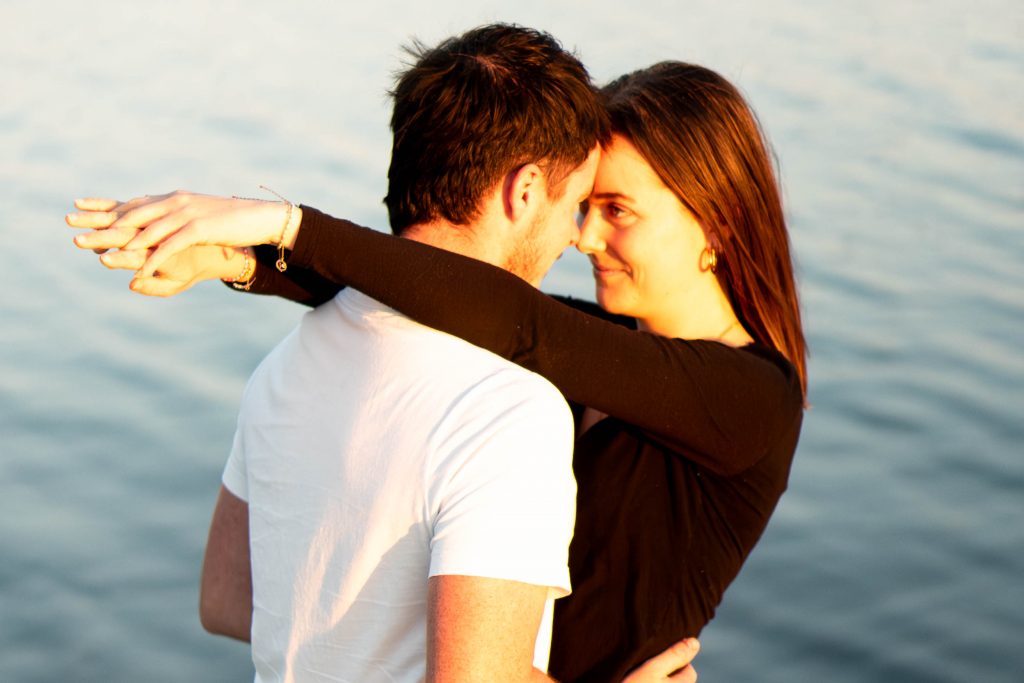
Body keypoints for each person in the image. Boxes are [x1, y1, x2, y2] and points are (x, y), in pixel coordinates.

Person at [70, 59, 801, 682]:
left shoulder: (750, 398)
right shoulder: (590, 345)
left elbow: (517, 322)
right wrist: (241, 263)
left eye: (617, 210)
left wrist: (284, 225)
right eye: (586, 206)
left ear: (715, 220)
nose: (584, 237)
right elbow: (449, 297)